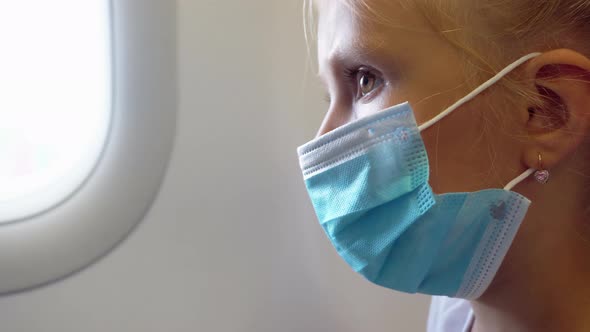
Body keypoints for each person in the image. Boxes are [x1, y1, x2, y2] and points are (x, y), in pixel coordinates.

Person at [297, 0, 590, 331]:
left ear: (545, 110)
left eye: (366, 80)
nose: (324, 138)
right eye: (329, 96)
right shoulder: (450, 314)